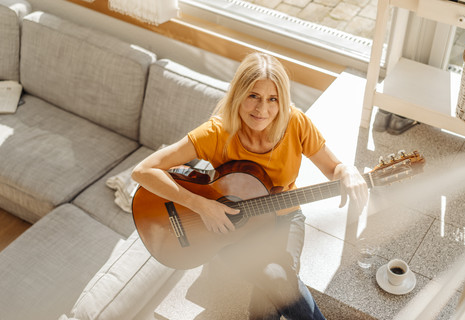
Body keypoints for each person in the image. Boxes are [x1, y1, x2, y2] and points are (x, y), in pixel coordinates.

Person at [131, 52, 368, 319]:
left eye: (272, 99)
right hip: (230, 229)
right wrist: (201, 205)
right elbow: (143, 171)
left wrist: (347, 170)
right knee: (277, 278)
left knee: (269, 296)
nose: (261, 109)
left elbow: (333, 168)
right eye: (253, 95)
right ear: (238, 94)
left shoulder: (296, 123)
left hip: (284, 216)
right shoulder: (216, 133)